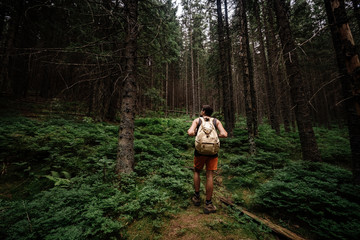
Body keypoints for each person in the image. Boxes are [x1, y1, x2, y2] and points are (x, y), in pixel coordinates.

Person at [187, 105, 228, 214]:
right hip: (213, 152)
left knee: (197, 171)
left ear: (203, 112)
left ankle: (196, 197)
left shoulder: (197, 120)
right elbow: (224, 134)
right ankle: (208, 204)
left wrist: (196, 133)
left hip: (200, 151)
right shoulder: (216, 121)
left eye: (201, 110)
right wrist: (218, 136)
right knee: (209, 175)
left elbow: (190, 132)